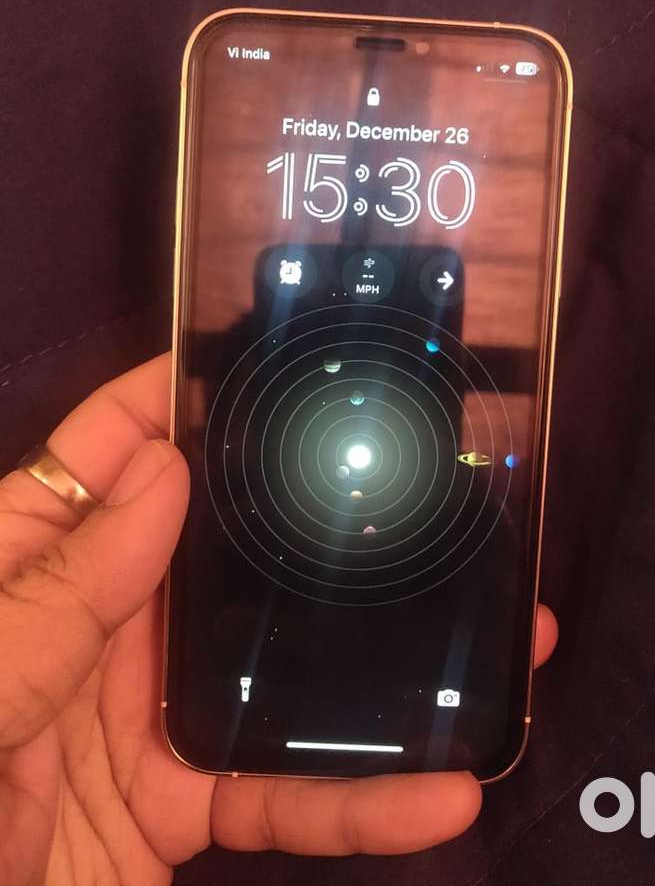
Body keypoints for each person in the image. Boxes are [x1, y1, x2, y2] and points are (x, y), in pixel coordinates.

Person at [0, 352, 558, 885]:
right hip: (219, 727)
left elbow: (483, 616)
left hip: (234, 737)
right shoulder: (237, 508)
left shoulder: (472, 512)